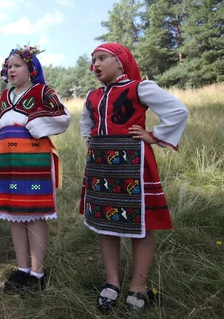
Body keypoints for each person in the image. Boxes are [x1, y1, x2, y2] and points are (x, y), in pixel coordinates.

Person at [79, 42, 188, 312]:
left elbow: (177, 111)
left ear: (121, 61)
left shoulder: (140, 87)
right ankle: (112, 282)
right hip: (101, 165)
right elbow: (85, 123)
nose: (96, 65)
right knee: (105, 224)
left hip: (134, 164)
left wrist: (154, 136)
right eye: (93, 61)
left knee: (141, 225)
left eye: (102, 58)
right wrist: (92, 141)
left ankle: (138, 286)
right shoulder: (92, 96)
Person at [0, 46, 70, 295]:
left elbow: (62, 115)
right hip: (7, 161)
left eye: (17, 65)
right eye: (9, 66)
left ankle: (37, 272)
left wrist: (36, 123)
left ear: (31, 69)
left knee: (34, 213)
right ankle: (22, 269)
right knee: (13, 211)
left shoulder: (43, 91)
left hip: (33, 160)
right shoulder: (5, 96)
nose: (11, 69)